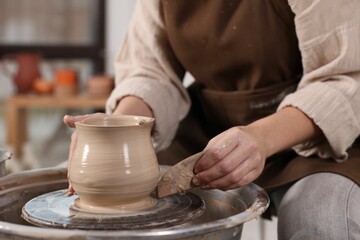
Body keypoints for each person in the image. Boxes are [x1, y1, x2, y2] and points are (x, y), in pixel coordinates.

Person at [64, 0, 360, 239]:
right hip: (211, 137)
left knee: (319, 215)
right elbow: (151, 71)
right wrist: (121, 126)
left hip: (316, 135)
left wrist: (262, 137)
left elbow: (346, 78)